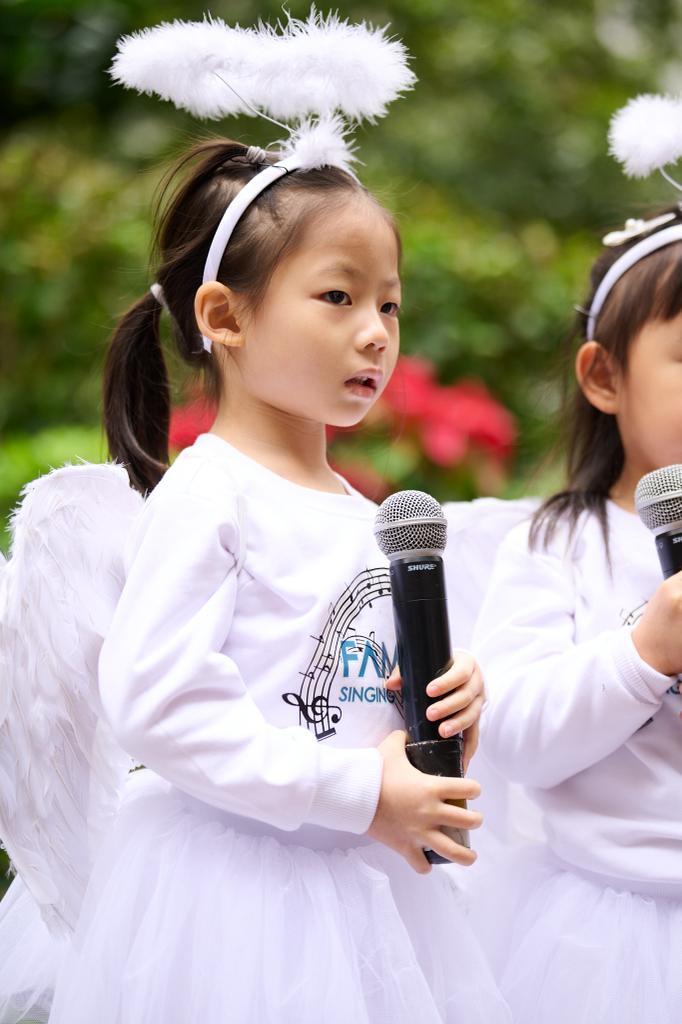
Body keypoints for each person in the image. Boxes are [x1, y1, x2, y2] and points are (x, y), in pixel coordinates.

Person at [0, 13, 511, 1024]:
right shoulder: (214, 491)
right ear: (224, 317)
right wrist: (355, 792)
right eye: (337, 296)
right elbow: (160, 704)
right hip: (235, 902)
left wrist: (435, 716)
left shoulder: (366, 517)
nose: (375, 332)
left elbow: (342, 688)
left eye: (391, 305)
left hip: (363, 898)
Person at [470, 201, 682, 1023]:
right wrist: (641, 655)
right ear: (604, 377)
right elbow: (516, 735)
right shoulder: (562, 542)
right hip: (611, 938)